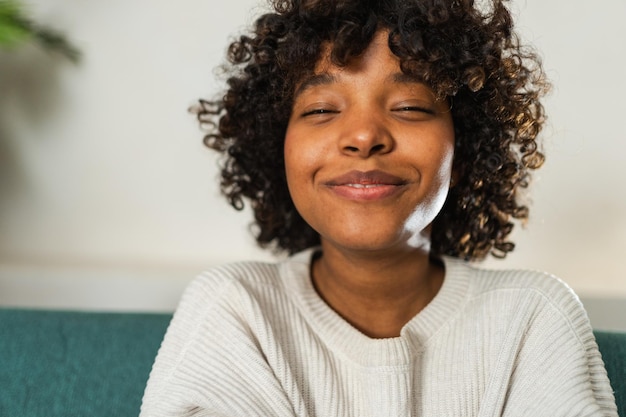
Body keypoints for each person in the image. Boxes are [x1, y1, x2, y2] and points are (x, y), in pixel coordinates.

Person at [140, 0, 618, 415]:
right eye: (321, 110)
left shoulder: (533, 317)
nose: (365, 136)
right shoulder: (234, 310)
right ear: (275, 146)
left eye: (410, 106)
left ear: (465, 145)